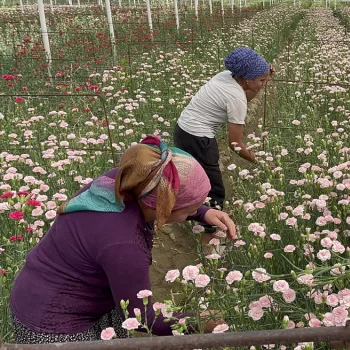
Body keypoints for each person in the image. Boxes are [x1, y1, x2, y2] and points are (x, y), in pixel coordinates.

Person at [9, 136, 237, 344]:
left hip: (46, 286)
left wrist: (203, 212)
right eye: (189, 211)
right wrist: (197, 321)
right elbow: (141, 319)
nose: (192, 213)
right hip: (52, 324)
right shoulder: (124, 243)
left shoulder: (128, 180)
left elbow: (164, 194)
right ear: (162, 207)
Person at [174, 47, 274, 211]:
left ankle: (187, 213)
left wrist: (263, 77)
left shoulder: (226, 76)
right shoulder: (235, 97)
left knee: (192, 177)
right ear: (247, 79)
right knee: (214, 189)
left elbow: (245, 96)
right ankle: (210, 230)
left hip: (183, 130)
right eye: (262, 80)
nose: (264, 84)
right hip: (199, 138)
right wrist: (260, 162)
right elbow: (234, 143)